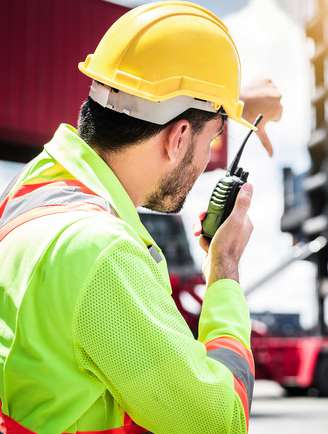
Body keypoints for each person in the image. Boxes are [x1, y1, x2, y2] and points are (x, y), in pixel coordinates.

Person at [0, 2, 282, 433]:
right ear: (179, 136)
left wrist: (230, 103)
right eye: (213, 140)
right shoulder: (101, 255)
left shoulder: (32, 190)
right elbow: (218, 421)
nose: (208, 159)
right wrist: (224, 269)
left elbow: (142, 95)